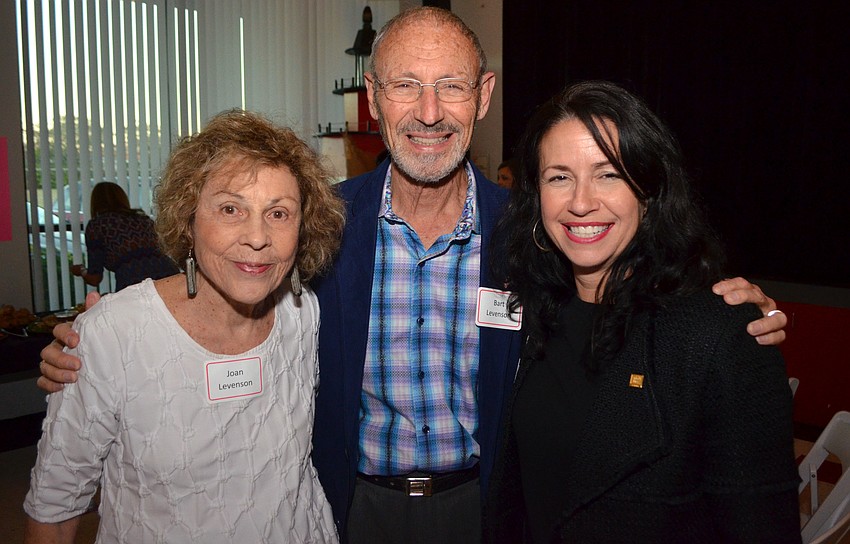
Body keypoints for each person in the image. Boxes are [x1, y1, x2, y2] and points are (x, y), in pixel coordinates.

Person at [37, 7, 788, 543]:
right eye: (404, 86)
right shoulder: (318, 223)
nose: (429, 112)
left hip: (487, 503)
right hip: (351, 504)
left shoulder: (532, 231)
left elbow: (625, 285)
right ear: (373, 97)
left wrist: (721, 303)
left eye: (452, 87)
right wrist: (98, 339)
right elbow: (230, 255)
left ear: (483, 97)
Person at [483, 81, 801, 543]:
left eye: (608, 174)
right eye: (559, 176)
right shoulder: (536, 313)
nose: (580, 202)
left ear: (649, 192)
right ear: (537, 197)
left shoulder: (720, 335)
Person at [24, 109, 345, 543]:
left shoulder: (302, 312)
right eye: (231, 208)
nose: (256, 236)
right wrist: (88, 346)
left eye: (279, 213)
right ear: (188, 219)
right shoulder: (115, 335)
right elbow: (56, 509)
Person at [71, 181, 180, 291]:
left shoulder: (97, 226)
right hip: (170, 276)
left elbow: (94, 278)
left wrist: (81, 270)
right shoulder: (143, 219)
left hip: (134, 281)